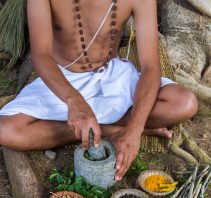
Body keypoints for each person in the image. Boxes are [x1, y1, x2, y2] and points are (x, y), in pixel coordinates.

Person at [0, 0, 198, 181]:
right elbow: (41, 55)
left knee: (184, 103)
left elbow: (150, 67)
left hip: (112, 76)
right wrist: (74, 102)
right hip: (62, 78)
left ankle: (108, 128)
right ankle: (111, 129)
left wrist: (135, 130)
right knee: (6, 130)